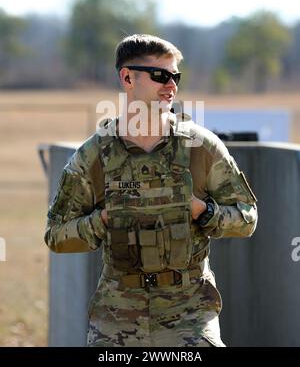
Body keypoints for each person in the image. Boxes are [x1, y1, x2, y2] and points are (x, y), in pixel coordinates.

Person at [44, 34, 258, 347]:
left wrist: (203, 211)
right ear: (127, 78)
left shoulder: (201, 147)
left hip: (189, 315)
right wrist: (102, 219)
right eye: (160, 75)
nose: (170, 85)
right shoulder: (94, 155)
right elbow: (56, 235)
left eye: (175, 77)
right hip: (116, 316)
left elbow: (247, 218)